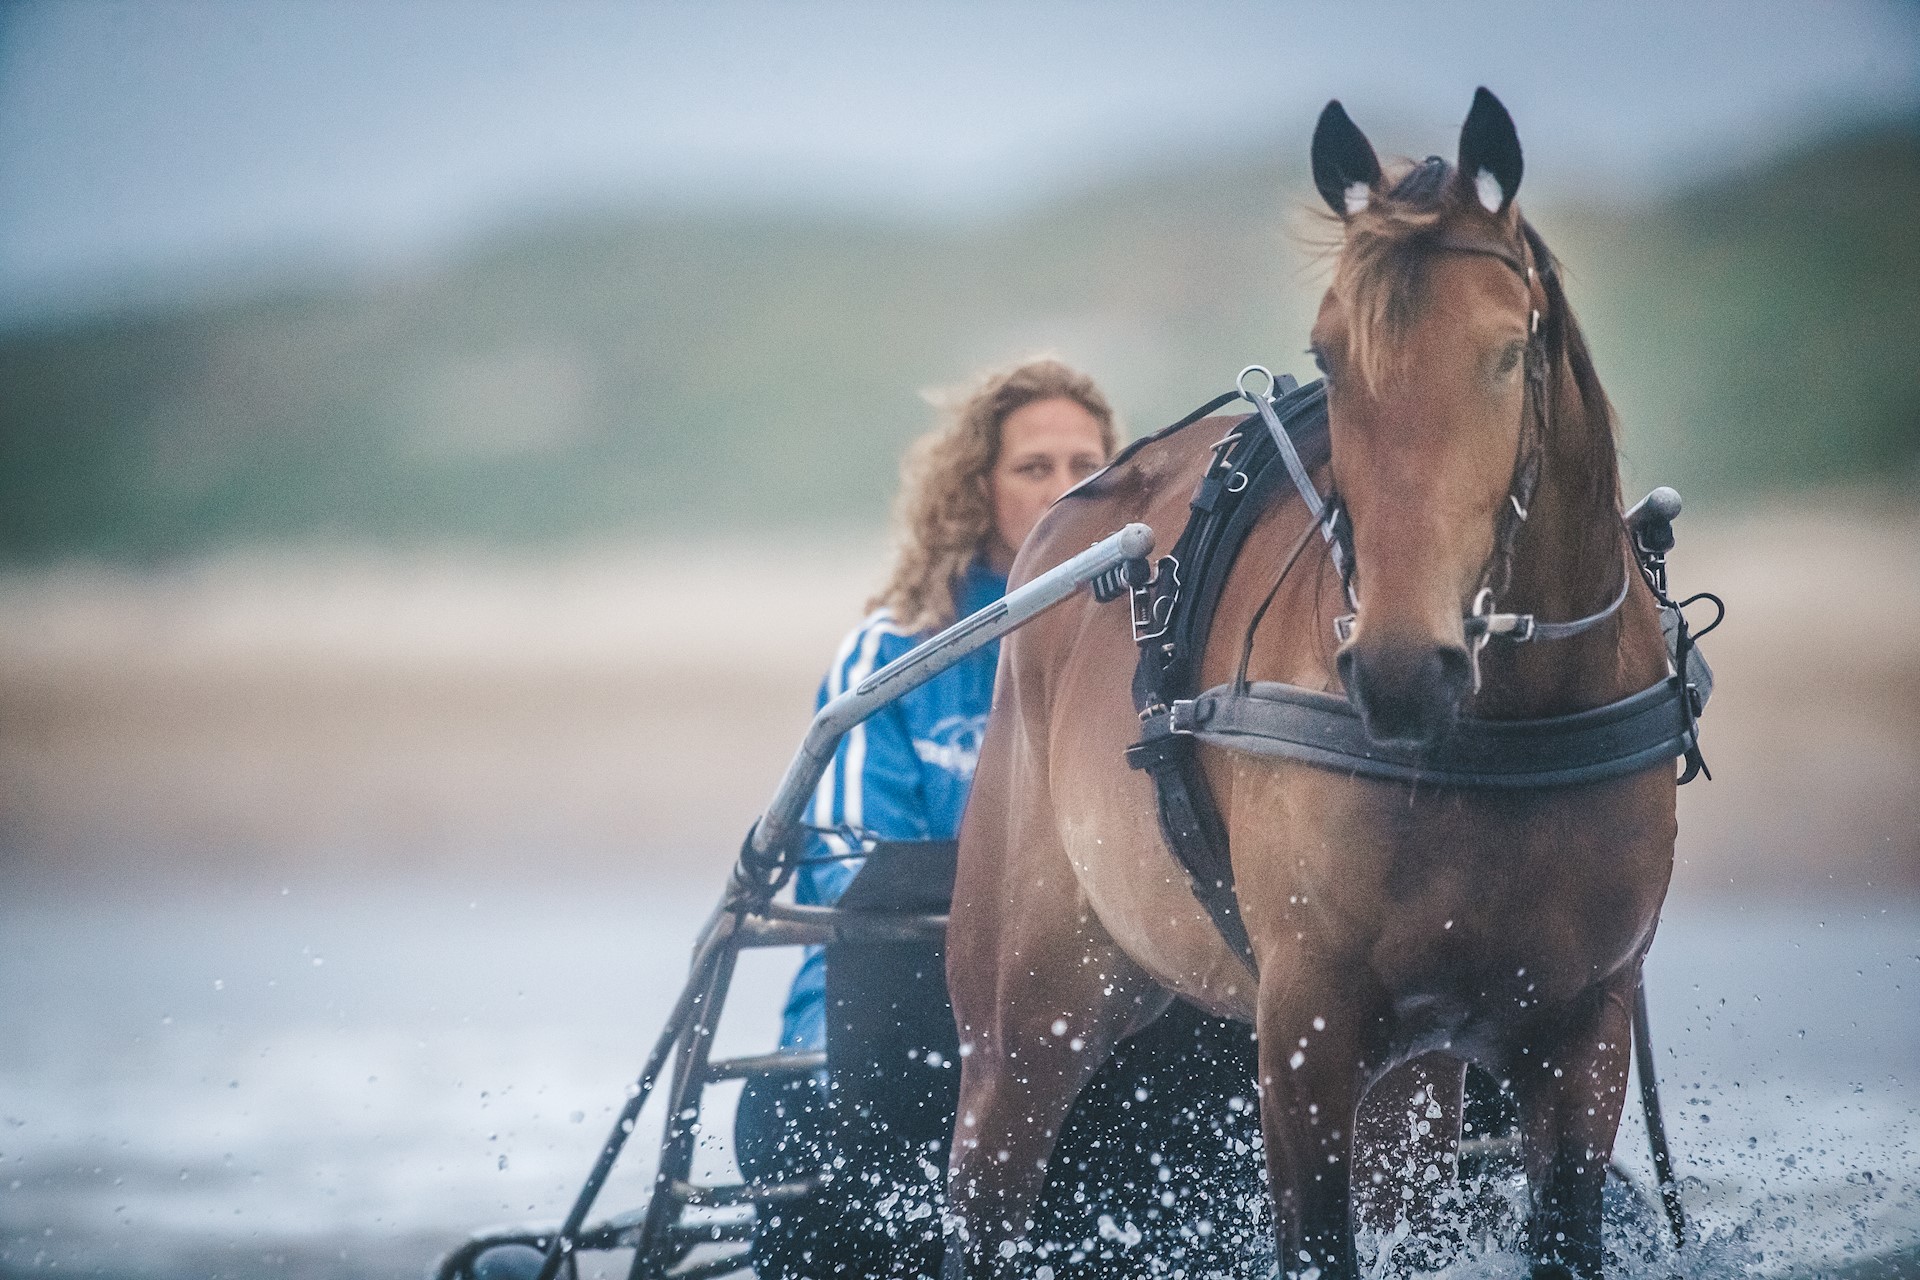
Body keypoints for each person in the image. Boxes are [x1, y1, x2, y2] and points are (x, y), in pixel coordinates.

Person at [736, 358, 1266, 1280]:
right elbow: (846, 871)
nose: (1067, 492)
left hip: (1114, 1033)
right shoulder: (900, 645)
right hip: (894, 1026)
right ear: (974, 492)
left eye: (1086, 468)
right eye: (1035, 469)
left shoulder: (1158, 648)